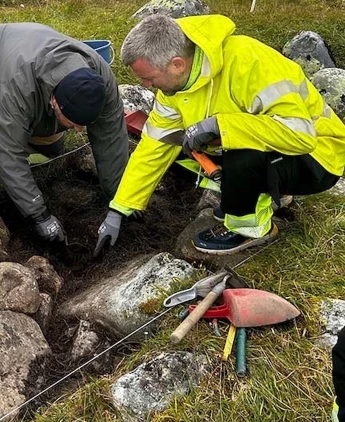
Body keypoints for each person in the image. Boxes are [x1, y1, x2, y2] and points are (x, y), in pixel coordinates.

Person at [95, 14, 345, 255]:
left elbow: (300, 135)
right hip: (281, 152)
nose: (146, 86)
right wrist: (119, 208)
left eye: (149, 79)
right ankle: (262, 193)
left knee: (239, 149)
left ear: (177, 64)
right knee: (181, 151)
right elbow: (155, 143)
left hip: (318, 157)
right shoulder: (175, 86)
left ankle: (250, 228)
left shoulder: (248, 62)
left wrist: (220, 126)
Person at [0, 22, 130, 242]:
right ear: (55, 102)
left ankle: (24, 124)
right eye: (74, 123)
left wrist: (121, 203)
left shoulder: (100, 79)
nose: (79, 130)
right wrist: (39, 215)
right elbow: (7, 155)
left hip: (31, 81)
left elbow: (111, 139)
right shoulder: (17, 85)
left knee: (51, 149)